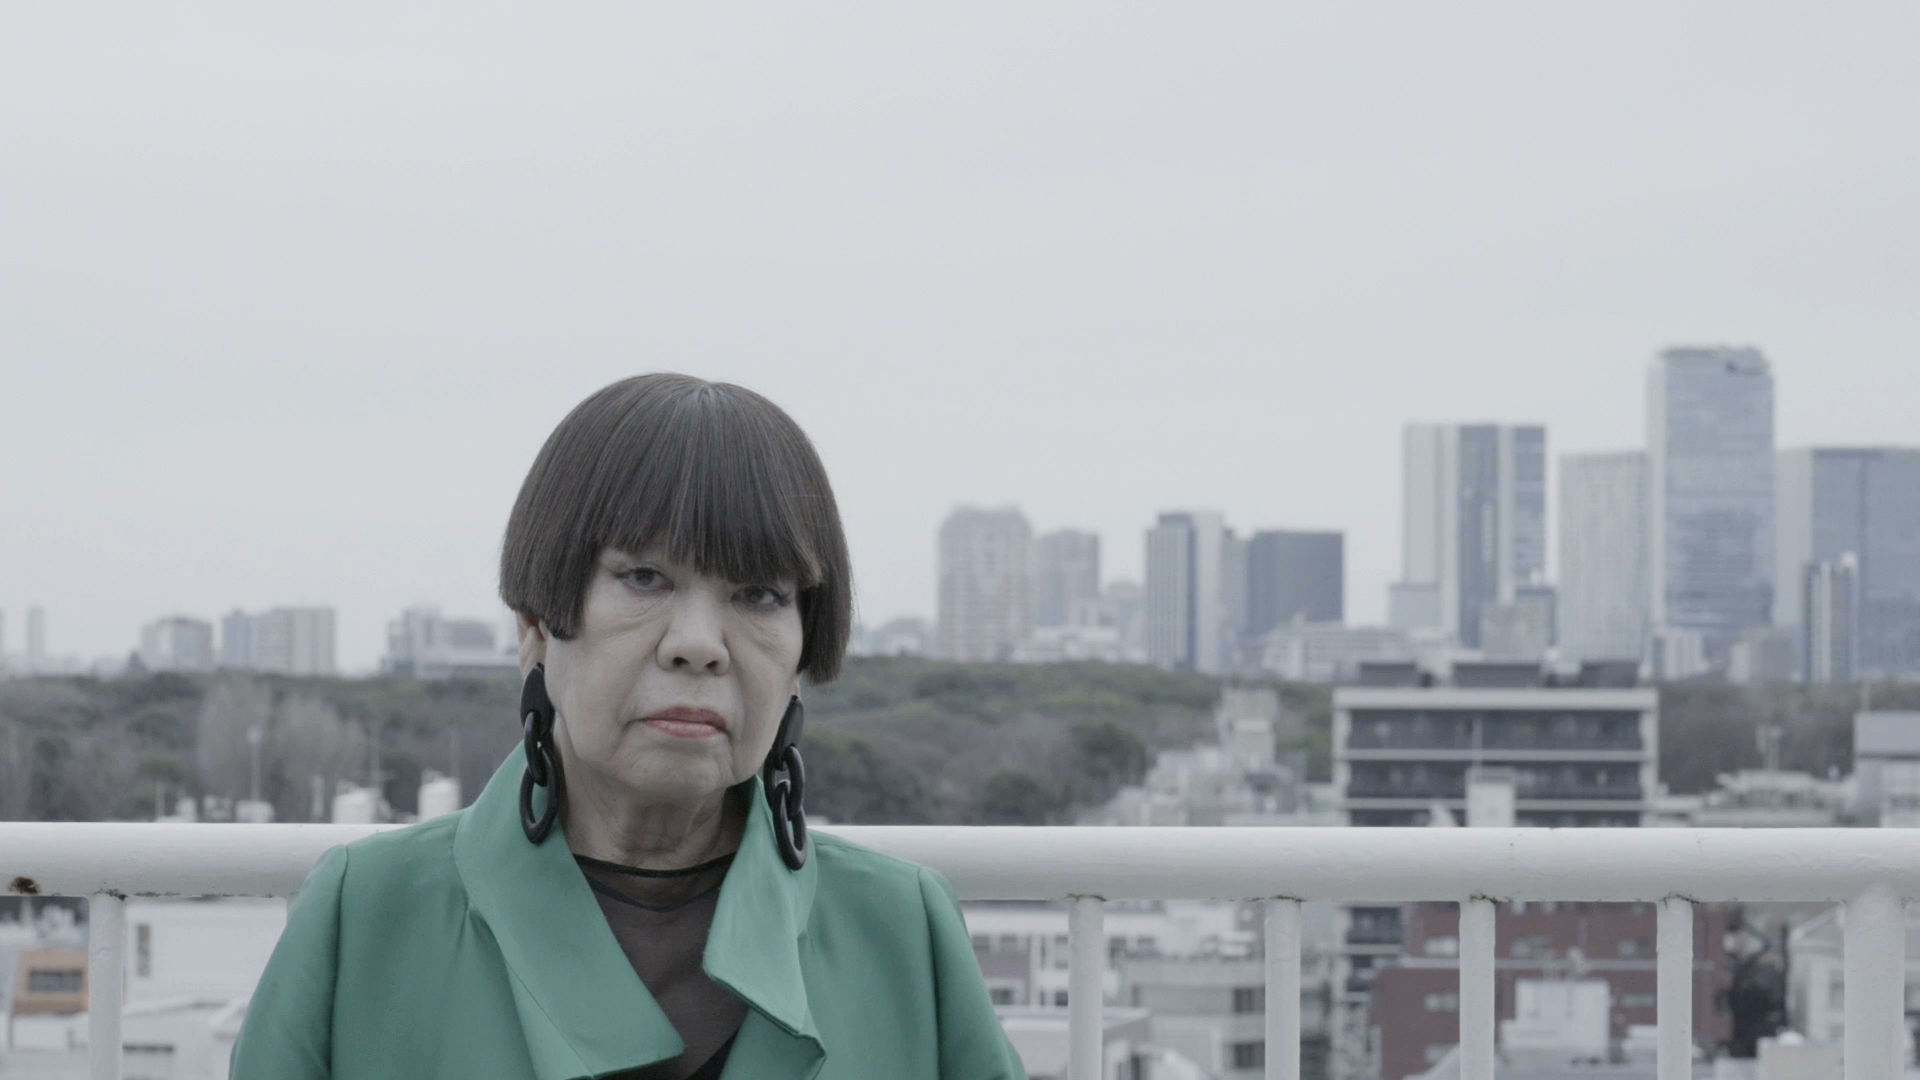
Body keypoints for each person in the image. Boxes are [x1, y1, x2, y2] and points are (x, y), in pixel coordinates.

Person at [232, 374, 1026, 1079]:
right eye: (644, 577)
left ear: (800, 653)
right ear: (536, 626)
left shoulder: (903, 932)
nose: (698, 644)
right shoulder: (365, 916)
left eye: (758, 594)